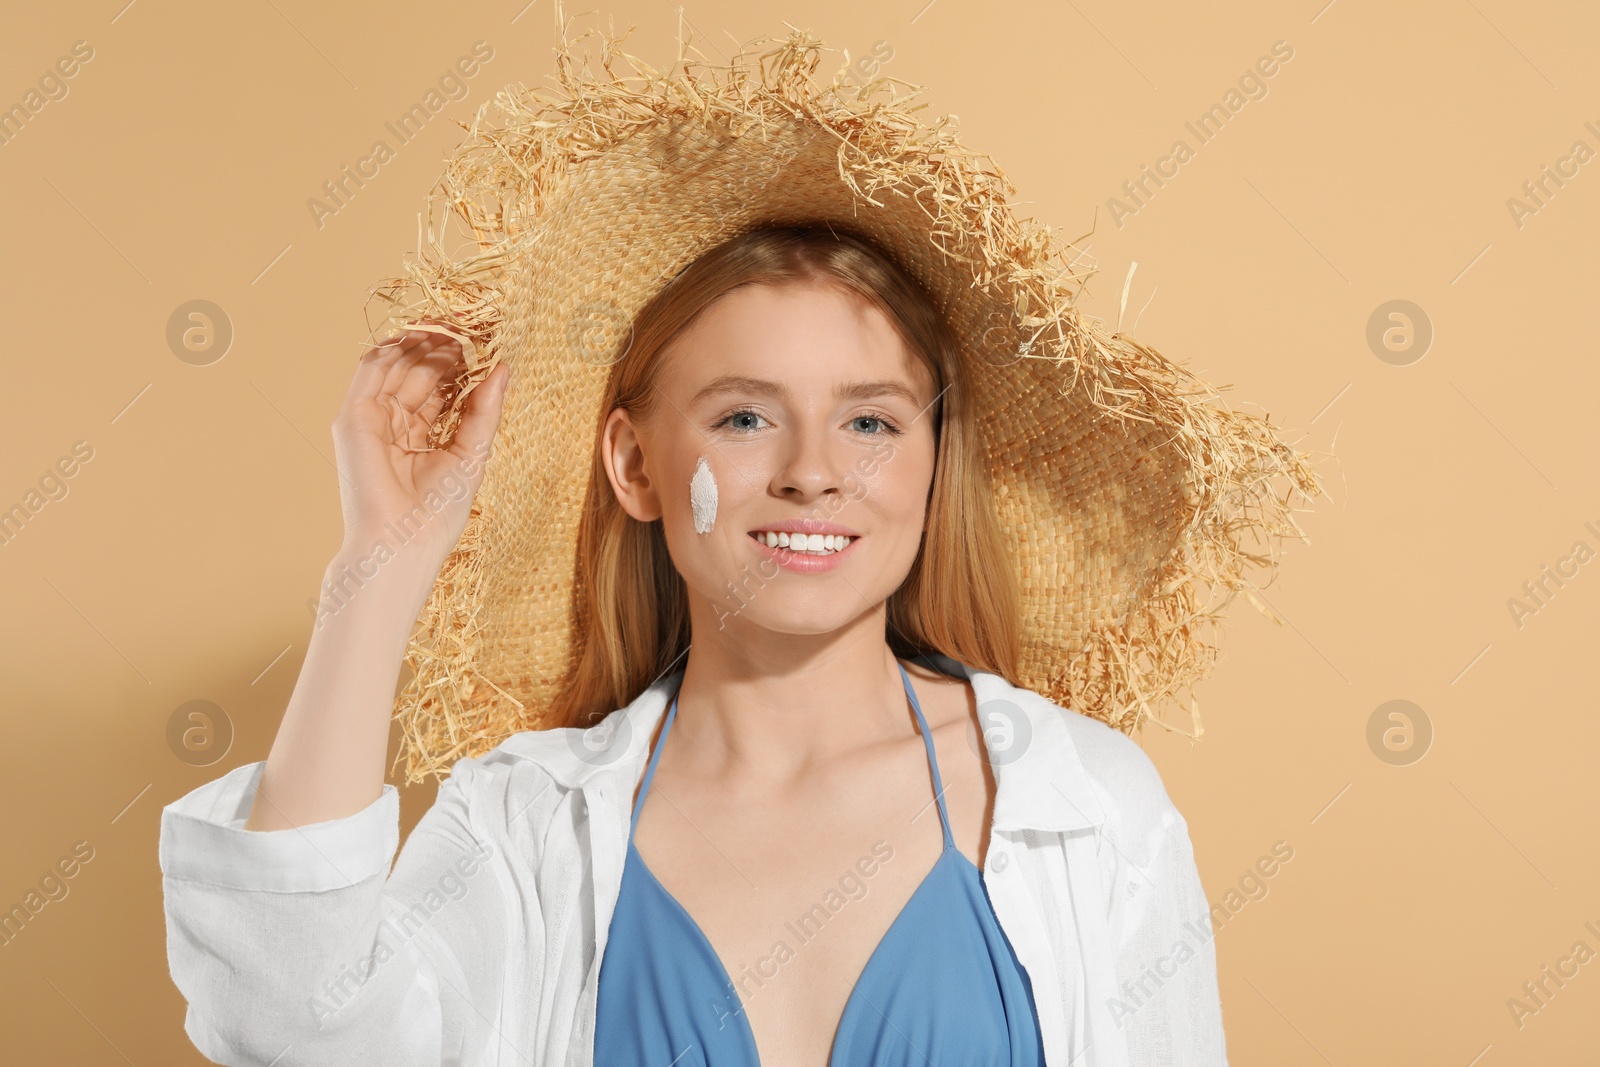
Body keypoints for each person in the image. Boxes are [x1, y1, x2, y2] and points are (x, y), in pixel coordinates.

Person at [160, 19, 1316, 1067]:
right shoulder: (523, 825)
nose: (813, 468)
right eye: (745, 416)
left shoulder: (1089, 807)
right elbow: (287, 1020)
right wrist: (384, 560)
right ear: (636, 464)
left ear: (928, 463)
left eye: (869, 419)